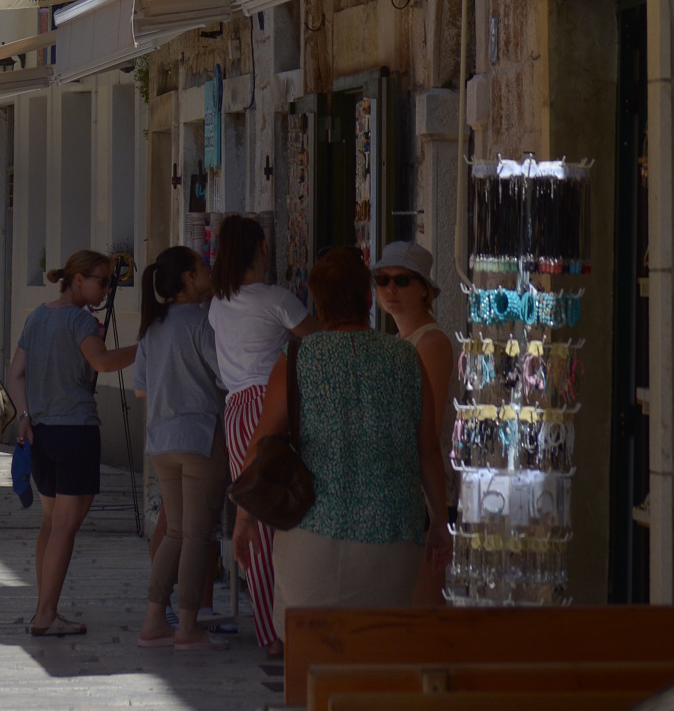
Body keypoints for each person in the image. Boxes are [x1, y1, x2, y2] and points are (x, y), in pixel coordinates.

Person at [234, 244, 451, 628]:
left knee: (311, 648)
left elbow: (261, 443)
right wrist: (439, 523)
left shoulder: (297, 357)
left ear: (317, 302)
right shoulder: (406, 358)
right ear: (368, 298)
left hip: (313, 529)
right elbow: (428, 451)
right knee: (381, 647)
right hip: (393, 532)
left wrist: (244, 516)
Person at [5, 249, 135, 638]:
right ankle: (46, 614)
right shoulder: (79, 320)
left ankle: (43, 609)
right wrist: (144, 349)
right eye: (102, 281)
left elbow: (15, 374)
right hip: (76, 431)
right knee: (64, 527)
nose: (107, 290)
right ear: (78, 280)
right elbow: (102, 363)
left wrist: (25, 416)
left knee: (50, 524)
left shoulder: (37, 316)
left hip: (43, 432)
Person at [205, 215, 318, 656]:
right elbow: (316, 339)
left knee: (253, 508)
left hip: (235, 409)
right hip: (270, 403)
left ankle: (270, 630)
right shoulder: (277, 299)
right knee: (281, 513)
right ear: (263, 248)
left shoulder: (218, 304)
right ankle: (283, 626)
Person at [132, 246, 228, 651]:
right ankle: (188, 625)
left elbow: (140, 389)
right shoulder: (201, 322)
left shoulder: (152, 328)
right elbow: (225, 374)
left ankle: (154, 619)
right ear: (189, 277)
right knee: (197, 535)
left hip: (160, 440)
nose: (208, 271)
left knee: (173, 531)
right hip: (200, 437)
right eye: (202, 266)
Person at [372, 240, 455, 479]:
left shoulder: (431, 343)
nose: (390, 289)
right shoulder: (399, 341)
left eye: (402, 280)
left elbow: (430, 432)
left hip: (423, 482)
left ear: (423, 289)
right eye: (383, 280)